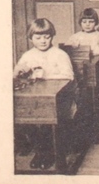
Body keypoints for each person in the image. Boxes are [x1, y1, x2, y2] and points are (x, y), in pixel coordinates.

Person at [13, 18, 74, 170]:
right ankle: (41, 151)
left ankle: (48, 152)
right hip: (35, 97)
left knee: (47, 118)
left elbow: (69, 76)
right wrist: (19, 72)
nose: (43, 41)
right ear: (31, 38)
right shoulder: (28, 55)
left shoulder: (59, 54)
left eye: (47, 37)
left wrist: (45, 75)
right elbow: (18, 74)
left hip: (60, 97)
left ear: (52, 37)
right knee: (26, 117)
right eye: (38, 38)